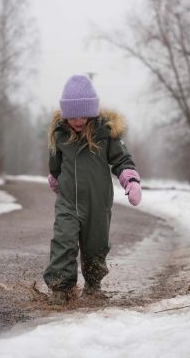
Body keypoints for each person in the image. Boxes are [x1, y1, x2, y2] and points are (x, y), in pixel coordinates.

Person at [43, 74, 142, 305]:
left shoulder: (105, 134)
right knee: (63, 243)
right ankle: (61, 289)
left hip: (98, 205)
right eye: (73, 115)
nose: (78, 120)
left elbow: (122, 160)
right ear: (65, 113)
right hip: (68, 202)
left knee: (95, 248)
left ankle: (93, 286)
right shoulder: (60, 134)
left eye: (84, 115)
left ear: (92, 112)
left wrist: (130, 181)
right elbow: (55, 164)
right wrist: (55, 179)